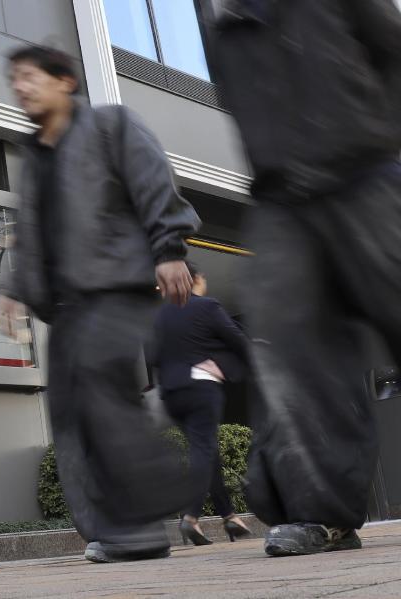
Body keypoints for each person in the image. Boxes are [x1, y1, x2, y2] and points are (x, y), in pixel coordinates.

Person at [200, 0, 401, 556]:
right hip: (283, 204)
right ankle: (325, 514)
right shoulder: (228, 34)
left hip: (368, 178)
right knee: (294, 354)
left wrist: (382, 138)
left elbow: (394, 55)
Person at [2, 45, 201, 563]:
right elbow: (30, 233)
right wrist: (15, 289)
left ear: (65, 80)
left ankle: (141, 520)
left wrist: (169, 249)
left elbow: (154, 181)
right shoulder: (34, 156)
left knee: (100, 389)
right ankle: (115, 531)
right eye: (14, 80)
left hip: (116, 287)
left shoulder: (112, 125)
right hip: (65, 305)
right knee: (69, 415)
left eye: (29, 77)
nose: (20, 88)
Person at [152, 262, 251, 545]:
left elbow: (154, 356)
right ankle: (191, 517)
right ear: (193, 279)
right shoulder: (206, 306)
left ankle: (229, 517)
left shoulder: (160, 316)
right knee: (203, 449)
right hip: (200, 388)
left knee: (205, 450)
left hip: (172, 393)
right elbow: (239, 341)